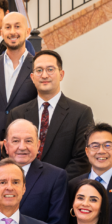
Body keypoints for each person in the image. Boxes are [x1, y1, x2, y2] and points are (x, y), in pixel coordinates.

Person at [14, 50, 94, 179]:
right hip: (23, 189)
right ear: (32, 77)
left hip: (62, 190)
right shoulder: (18, 113)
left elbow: (82, 159)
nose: (44, 75)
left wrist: (53, 184)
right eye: (39, 70)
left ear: (61, 74)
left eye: (50, 69)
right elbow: (10, 154)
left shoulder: (81, 113)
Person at [3, 119, 68, 224]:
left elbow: (58, 223)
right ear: (6, 145)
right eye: (16, 141)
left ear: (38, 145)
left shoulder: (55, 177)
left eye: (28, 141)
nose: (22, 147)